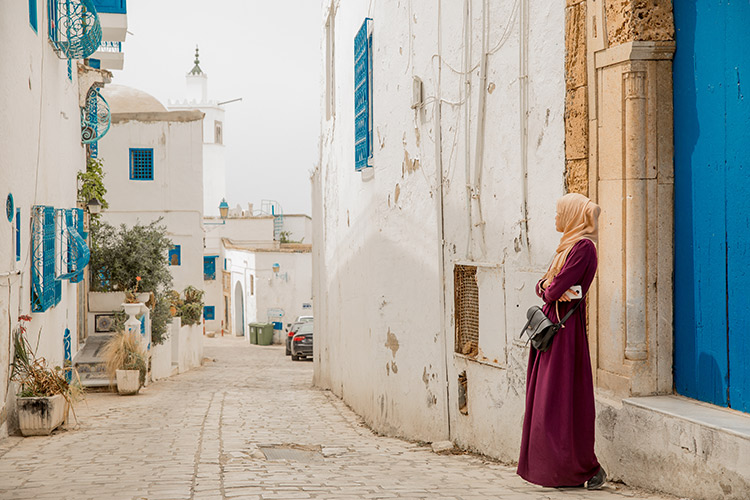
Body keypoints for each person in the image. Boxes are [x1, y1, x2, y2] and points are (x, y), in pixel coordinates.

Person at [516, 192, 606, 490]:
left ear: (572, 216)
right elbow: (544, 285)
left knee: (560, 401)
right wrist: (548, 287)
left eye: (559, 213)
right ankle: (554, 468)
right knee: (547, 401)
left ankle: (579, 468)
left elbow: (553, 290)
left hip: (563, 334)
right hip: (551, 329)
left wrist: (549, 288)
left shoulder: (583, 249)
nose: (555, 217)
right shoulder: (566, 248)